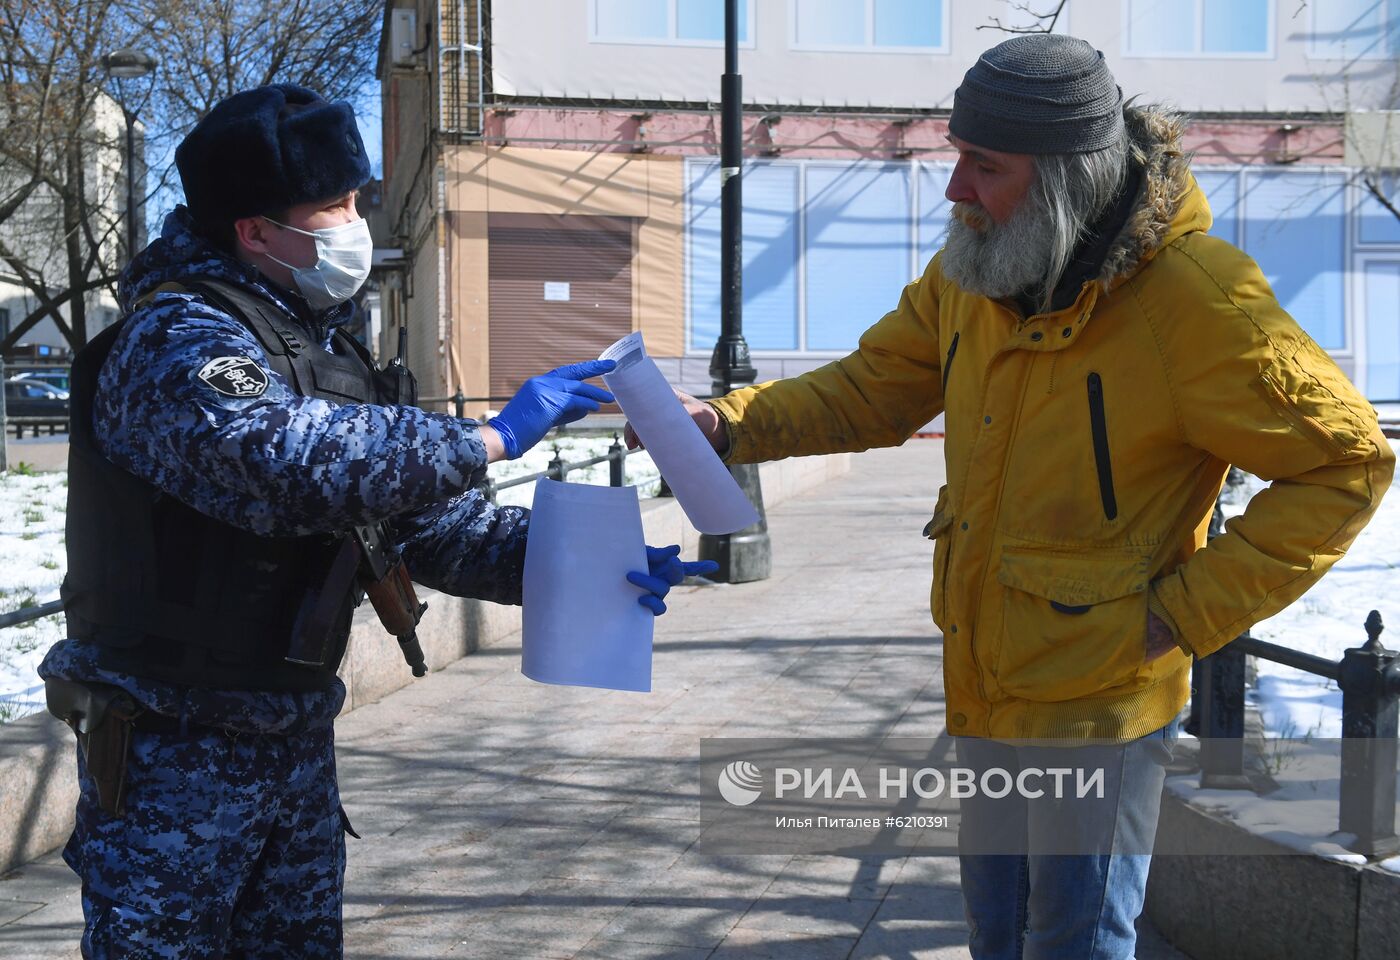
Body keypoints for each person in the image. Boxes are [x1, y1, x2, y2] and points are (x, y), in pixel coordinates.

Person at [647, 35, 1394, 960]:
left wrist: (1186, 615)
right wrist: (725, 424)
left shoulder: (1199, 302)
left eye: (986, 166)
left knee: (1075, 941)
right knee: (995, 934)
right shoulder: (978, 268)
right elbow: (872, 388)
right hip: (984, 681)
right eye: (958, 155)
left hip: (1101, 702)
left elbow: (1346, 466)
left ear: (1066, 181)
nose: (955, 189)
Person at [39, 84, 714, 958]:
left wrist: (588, 563)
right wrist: (490, 437)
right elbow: (282, 462)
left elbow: (423, 526)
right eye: (335, 206)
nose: (356, 223)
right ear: (255, 232)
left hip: (290, 739)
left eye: (356, 197)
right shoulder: (176, 337)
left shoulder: (320, 344)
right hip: (172, 746)